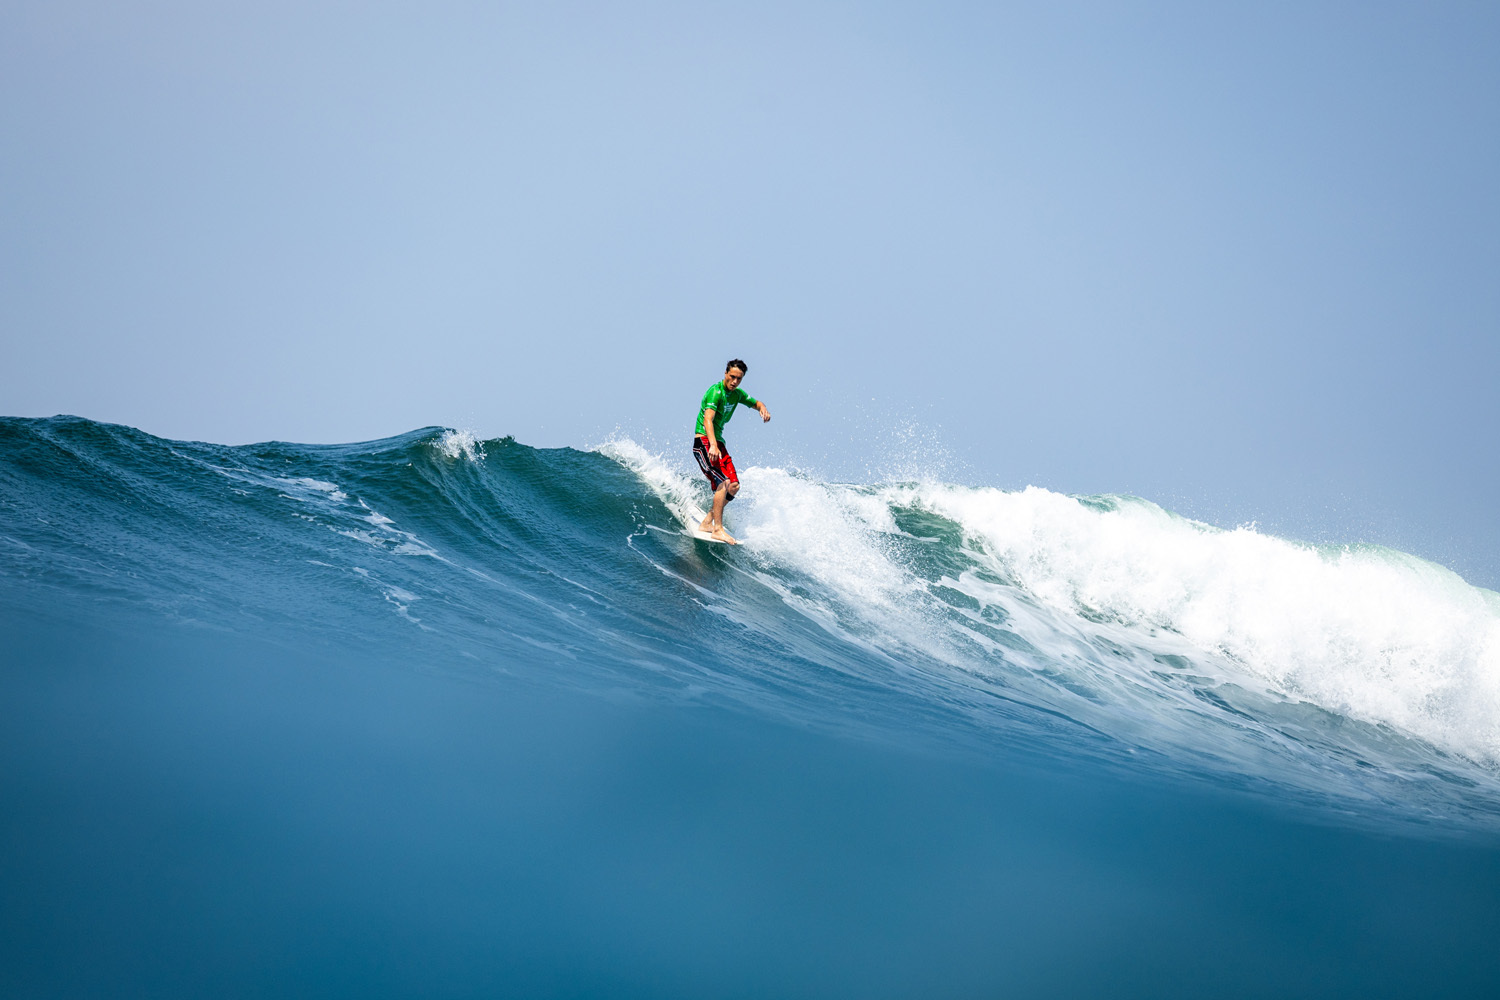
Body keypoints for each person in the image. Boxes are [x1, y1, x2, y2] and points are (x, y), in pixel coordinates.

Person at [692, 359, 770, 544]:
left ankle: (707, 522)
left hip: (718, 442)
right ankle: (717, 529)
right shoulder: (715, 392)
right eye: (732, 377)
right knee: (722, 483)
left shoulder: (737, 394)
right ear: (725, 373)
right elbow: (708, 420)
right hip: (704, 441)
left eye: (739, 379)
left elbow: (756, 403)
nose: (734, 381)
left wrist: (763, 409)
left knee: (733, 486)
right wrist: (712, 445)